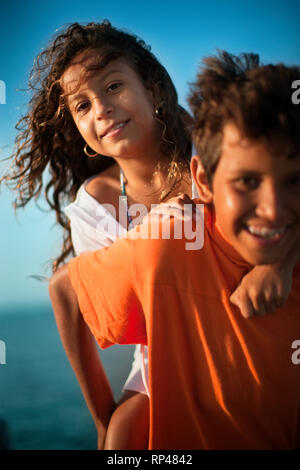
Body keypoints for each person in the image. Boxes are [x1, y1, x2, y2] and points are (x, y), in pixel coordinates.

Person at [1, 20, 297, 449]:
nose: (100, 108)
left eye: (113, 86)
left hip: (261, 320)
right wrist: (102, 417)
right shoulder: (94, 206)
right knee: (121, 440)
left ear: (153, 88)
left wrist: (277, 264)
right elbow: (117, 309)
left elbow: (284, 196)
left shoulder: (215, 149)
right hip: (169, 347)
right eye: (82, 106)